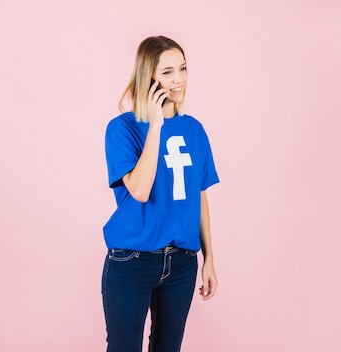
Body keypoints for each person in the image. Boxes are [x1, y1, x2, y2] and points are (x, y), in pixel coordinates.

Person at [101, 35, 219, 352]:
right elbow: (139, 190)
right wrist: (155, 126)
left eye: (182, 68)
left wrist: (209, 259)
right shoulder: (121, 128)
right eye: (167, 72)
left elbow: (199, 197)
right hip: (132, 261)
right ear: (148, 77)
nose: (178, 79)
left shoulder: (194, 129)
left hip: (182, 263)